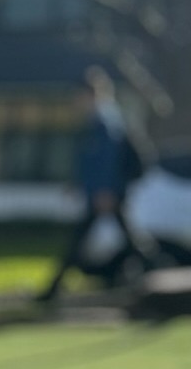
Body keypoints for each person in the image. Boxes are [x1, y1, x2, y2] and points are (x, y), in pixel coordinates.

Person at [37, 66, 156, 302]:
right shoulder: (96, 121)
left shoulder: (106, 121)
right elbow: (90, 161)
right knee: (126, 239)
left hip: (106, 194)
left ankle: (53, 288)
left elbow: (108, 161)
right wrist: (78, 184)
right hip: (100, 193)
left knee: (84, 240)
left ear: (90, 94)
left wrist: (106, 190)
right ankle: (154, 269)